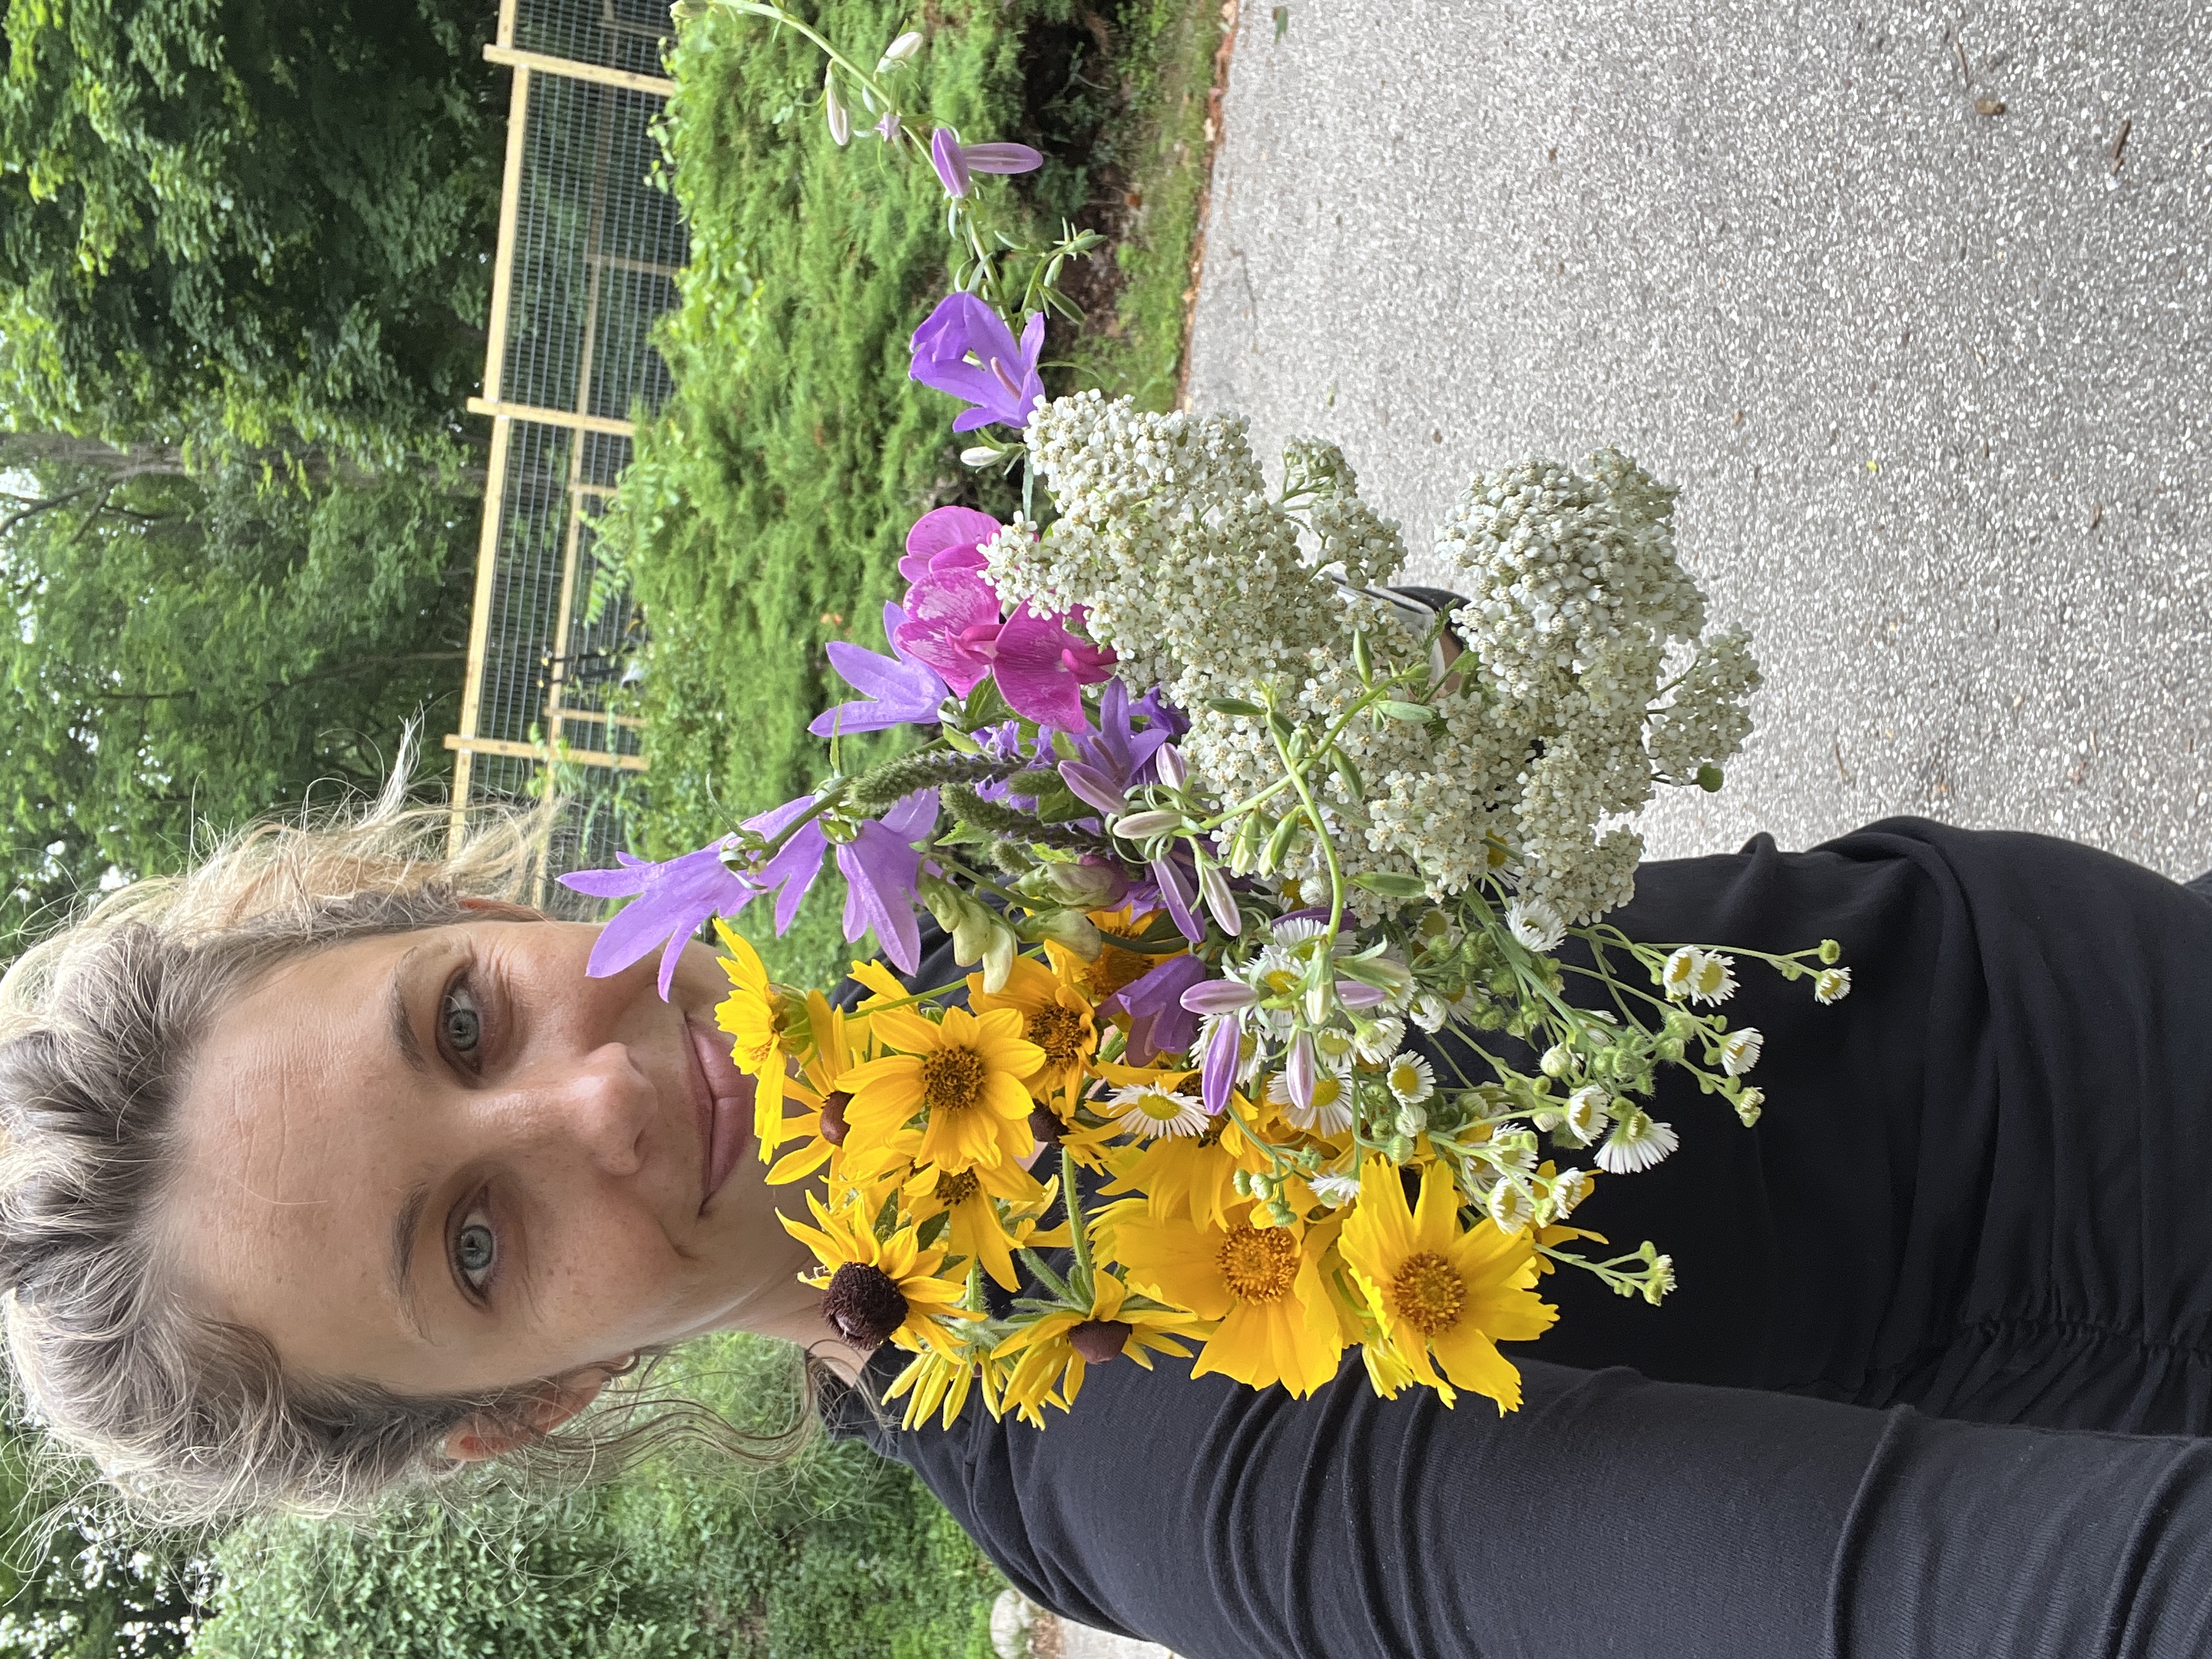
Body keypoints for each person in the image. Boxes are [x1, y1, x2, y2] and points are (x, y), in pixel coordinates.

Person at [4, 761, 2211, 1656]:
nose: (598, 1093)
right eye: (473, 1244)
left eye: (461, 1018)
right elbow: (1938, 1597)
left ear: (476, 910)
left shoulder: (920, 844)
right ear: (520, 1403)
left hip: (2053, 960)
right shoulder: (1134, 1449)